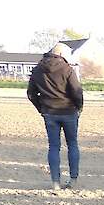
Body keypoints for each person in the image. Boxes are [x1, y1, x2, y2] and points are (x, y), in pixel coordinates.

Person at [26, 43, 83, 192]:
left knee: (53, 147)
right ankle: (73, 179)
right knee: (72, 145)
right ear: (62, 55)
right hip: (69, 112)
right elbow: (76, 92)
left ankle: (55, 182)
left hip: (49, 113)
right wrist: (79, 107)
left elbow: (31, 94)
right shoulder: (67, 69)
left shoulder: (37, 70)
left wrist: (41, 108)